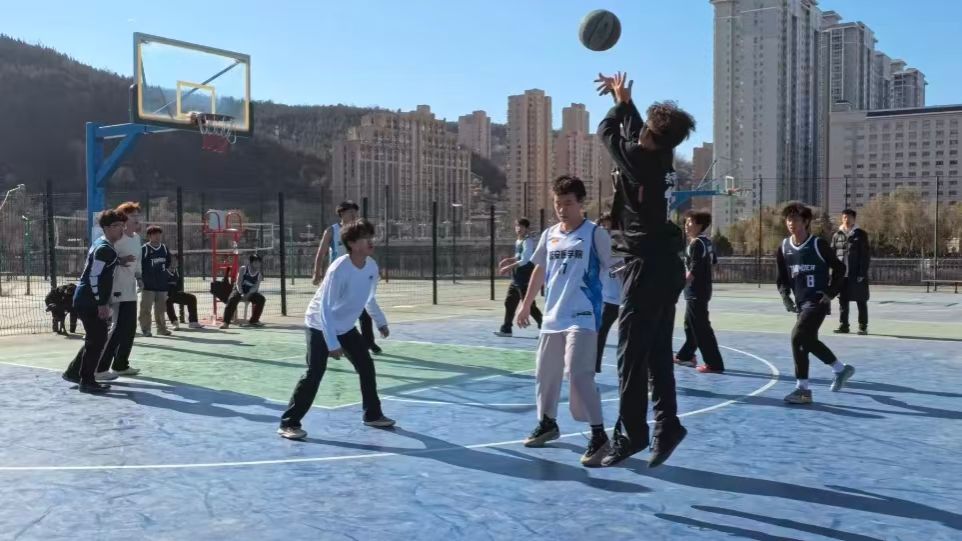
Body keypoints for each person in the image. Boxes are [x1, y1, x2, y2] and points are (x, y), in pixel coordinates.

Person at [595, 71, 693, 468]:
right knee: (655, 353)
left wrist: (618, 107)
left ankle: (631, 432)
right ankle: (667, 425)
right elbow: (637, 129)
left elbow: (605, 131)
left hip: (647, 266)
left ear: (651, 136)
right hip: (666, 265)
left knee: (630, 355)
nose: (640, 134)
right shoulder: (661, 154)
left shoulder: (638, 158)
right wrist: (625, 99)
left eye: (645, 130)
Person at [515, 175, 614, 467]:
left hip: (584, 314)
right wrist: (526, 304)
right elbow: (539, 270)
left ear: (581, 203)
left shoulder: (595, 234)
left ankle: (599, 435)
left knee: (578, 373)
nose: (562, 209)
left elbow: (616, 266)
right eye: (558, 203)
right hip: (553, 316)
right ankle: (547, 422)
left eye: (568, 203)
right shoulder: (549, 234)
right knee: (545, 373)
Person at [279, 219, 394, 439]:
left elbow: (369, 298)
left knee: (366, 366)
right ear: (352, 243)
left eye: (371, 237)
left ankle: (372, 415)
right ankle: (289, 423)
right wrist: (332, 342)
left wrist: (380, 321)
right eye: (365, 238)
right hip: (319, 324)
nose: (371, 241)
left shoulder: (371, 266)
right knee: (315, 372)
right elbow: (325, 308)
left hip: (345, 327)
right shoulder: (339, 269)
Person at [776, 202, 856, 405]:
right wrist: (786, 297)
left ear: (805, 221)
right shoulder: (784, 247)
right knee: (805, 342)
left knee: (797, 337)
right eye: (788, 219)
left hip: (817, 301)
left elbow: (840, 269)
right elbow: (782, 278)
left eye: (795, 219)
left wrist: (830, 293)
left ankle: (803, 390)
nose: (791, 223)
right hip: (801, 303)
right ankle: (840, 369)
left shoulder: (817, 244)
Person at [62, 210, 126, 393]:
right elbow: (94, 276)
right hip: (89, 300)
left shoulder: (102, 245)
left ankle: (75, 373)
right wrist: (101, 303)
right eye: (116, 226)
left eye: (122, 225)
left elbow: (100, 268)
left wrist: (118, 261)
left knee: (96, 338)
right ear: (106, 228)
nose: (121, 229)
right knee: (97, 339)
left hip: (87, 298)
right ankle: (87, 380)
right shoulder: (104, 249)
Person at [312, 201, 380, 354]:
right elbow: (321, 253)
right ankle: (328, 341)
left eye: (356, 212)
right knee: (332, 311)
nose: (354, 215)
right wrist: (317, 272)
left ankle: (369, 342)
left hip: (355, 276)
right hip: (339, 279)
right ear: (342, 213)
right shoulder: (332, 231)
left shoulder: (359, 233)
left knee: (364, 309)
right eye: (351, 212)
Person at [674, 211, 725, 373]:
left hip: (696, 291)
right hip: (699, 290)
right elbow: (714, 262)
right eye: (686, 222)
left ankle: (714, 363)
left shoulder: (697, 243)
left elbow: (694, 269)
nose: (686, 225)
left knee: (701, 328)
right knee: (690, 325)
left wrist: (678, 287)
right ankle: (686, 356)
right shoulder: (706, 242)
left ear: (700, 225)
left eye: (690, 222)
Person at [97, 201, 143, 379]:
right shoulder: (116, 238)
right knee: (118, 328)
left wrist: (139, 276)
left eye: (138, 215)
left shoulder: (136, 238)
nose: (136, 218)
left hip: (130, 287)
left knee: (130, 327)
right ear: (123, 219)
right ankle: (100, 367)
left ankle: (121, 364)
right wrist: (120, 261)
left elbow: (138, 262)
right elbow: (105, 258)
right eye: (132, 215)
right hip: (116, 287)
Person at [494, 218, 542, 337]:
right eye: (517, 226)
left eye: (521, 226)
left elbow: (525, 260)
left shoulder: (528, 241)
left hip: (525, 277)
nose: (519, 228)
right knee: (509, 302)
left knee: (530, 306)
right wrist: (508, 260)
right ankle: (506, 329)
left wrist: (508, 267)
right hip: (516, 278)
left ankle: (544, 328)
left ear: (526, 229)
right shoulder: (518, 241)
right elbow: (518, 256)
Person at [831, 209, 871, 335]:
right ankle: (844, 326)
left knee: (861, 300)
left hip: (857, 274)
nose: (846, 220)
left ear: (854, 219)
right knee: (843, 301)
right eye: (844, 217)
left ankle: (863, 327)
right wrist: (833, 271)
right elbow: (832, 254)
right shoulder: (837, 235)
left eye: (849, 217)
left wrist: (862, 273)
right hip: (842, 275)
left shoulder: (861, 234)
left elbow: (865, 256)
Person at [595, 212, 623, 372]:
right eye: (603, 227)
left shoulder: (620, 241)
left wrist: (618, 268)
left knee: (632, 337)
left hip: (624, 298)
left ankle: (643, 372)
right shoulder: (600, 244)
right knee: (600, 332)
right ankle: (594, 366)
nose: (606, 230)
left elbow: (622, 267)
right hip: (608, 298)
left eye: (609, 227)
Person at [139, 225, 172, 337]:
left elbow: (168, 263)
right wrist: (141, 279)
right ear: (149, 236)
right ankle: (146, 329)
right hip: (148, 285)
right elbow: (139, 265)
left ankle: (161, 329)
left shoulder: (164, 248)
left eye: (159, 234)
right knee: (146, 308)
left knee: (161, 309)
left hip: (162, 284)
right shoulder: (144, 249)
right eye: (154, 234)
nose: (157, 236)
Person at [221, 254, 266, 329]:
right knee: (232, 299)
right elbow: (238, 282)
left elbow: (255, 287)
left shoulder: (259, 274)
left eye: (259, 262)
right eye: (256, 262)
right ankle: (226, 322)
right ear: (251, 262)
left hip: (250, 292)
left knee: (261, 299)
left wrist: (249, 294)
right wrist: (241, 293)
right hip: (238, 290)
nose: (258, 264)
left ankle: (254, 320)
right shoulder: (243, 269)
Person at [165, 254, 203, 329]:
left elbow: (178, 285)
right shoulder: (164, 271)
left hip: (175, 293)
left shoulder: (177, 271)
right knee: (168, 300)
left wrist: (175, 287)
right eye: (173, 260)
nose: (175, 262)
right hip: (164, 295)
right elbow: (162, 284)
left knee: (192, 298)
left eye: (176, 261)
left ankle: (193, 322)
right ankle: (174, 322)